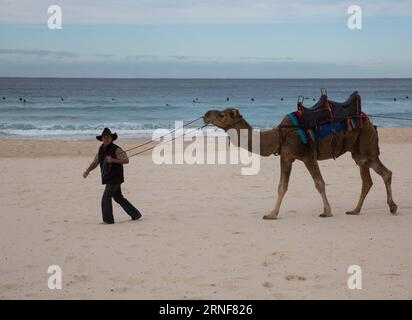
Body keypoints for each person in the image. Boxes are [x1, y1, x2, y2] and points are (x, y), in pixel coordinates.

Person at [83, 128, 142, 224]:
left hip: (115, 177)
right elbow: (95, 162)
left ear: (111, 138)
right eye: (104, 137)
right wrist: (88, 170)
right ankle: (135, 214)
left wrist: (113, 160)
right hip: (108, 177)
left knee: (106, 198)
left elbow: (126, 160)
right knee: (118, 197)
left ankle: (108, 220)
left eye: (108, 137)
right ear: (102, 139)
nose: (106, 139)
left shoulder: (116, 149)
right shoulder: (101, 149)